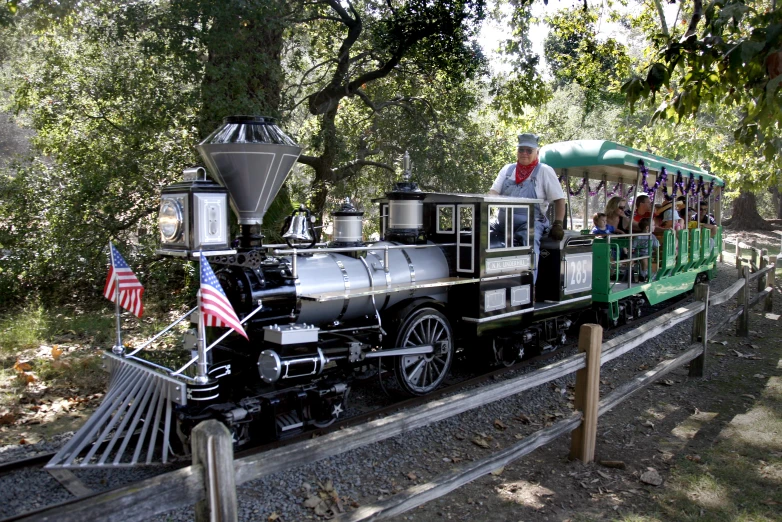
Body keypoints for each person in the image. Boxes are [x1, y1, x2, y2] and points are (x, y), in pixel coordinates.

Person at [489, 133, 566, 281]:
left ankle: (530, 287)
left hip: (529, 223)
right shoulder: (507, 170)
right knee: (481, 236)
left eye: (529, 150)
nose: (524, 153)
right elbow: (493, 192)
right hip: (502, 223)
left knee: (529, 247)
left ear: (536, 152)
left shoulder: (544, 171)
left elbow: (559, 199)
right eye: (521, 150)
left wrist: (558, 224)